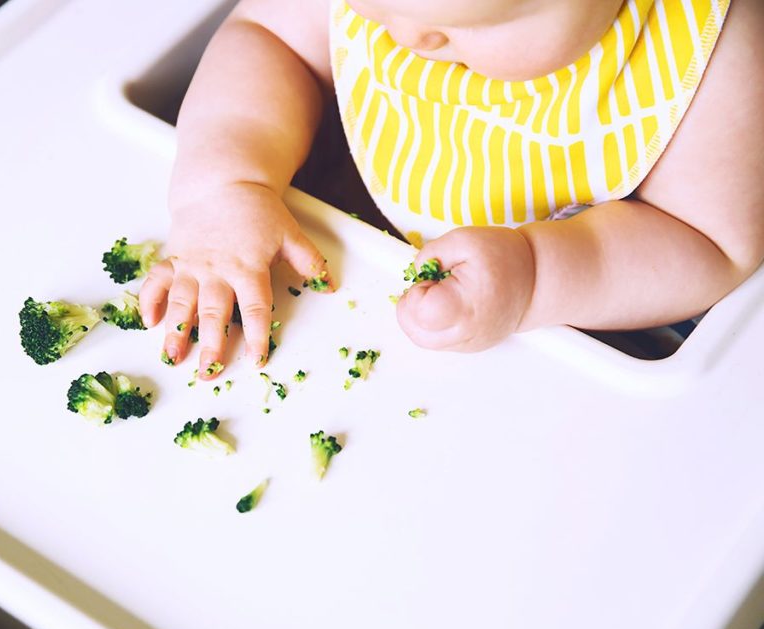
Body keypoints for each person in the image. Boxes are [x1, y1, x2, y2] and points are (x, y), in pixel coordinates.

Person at [138, 0, 764, 377]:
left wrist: (538, 273)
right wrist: (226, 184)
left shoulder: (712, 47)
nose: (407, 36)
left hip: (580, 311)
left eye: (486, 22)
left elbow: (707, 241)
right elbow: (269, 39)